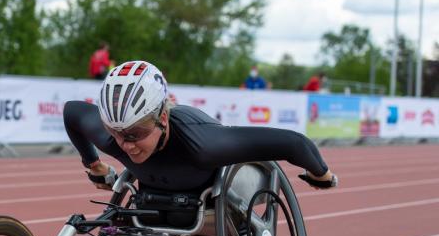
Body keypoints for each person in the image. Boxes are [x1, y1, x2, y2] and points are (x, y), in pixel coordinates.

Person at [64, 60, 337, 196]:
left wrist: (321, 175)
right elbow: (71, 111)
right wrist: (94, 166)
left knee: (247, 185)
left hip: (214, 182)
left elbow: (295, 144)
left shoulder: (205, 145)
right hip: (157, 184)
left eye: (136, 134)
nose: (126, 145)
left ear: (162, 118)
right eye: (116, 133)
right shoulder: (110, 135)